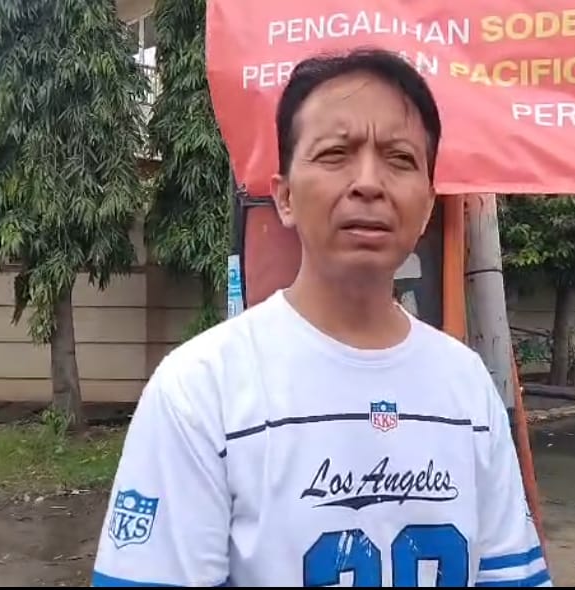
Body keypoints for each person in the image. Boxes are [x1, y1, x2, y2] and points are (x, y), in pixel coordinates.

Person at [90, 48, 551, 587]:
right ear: (284, 197)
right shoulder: (201, 390)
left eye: (400, 158)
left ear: (428, 205)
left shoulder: (466, 386)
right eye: (335, 154)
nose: (369, 183)